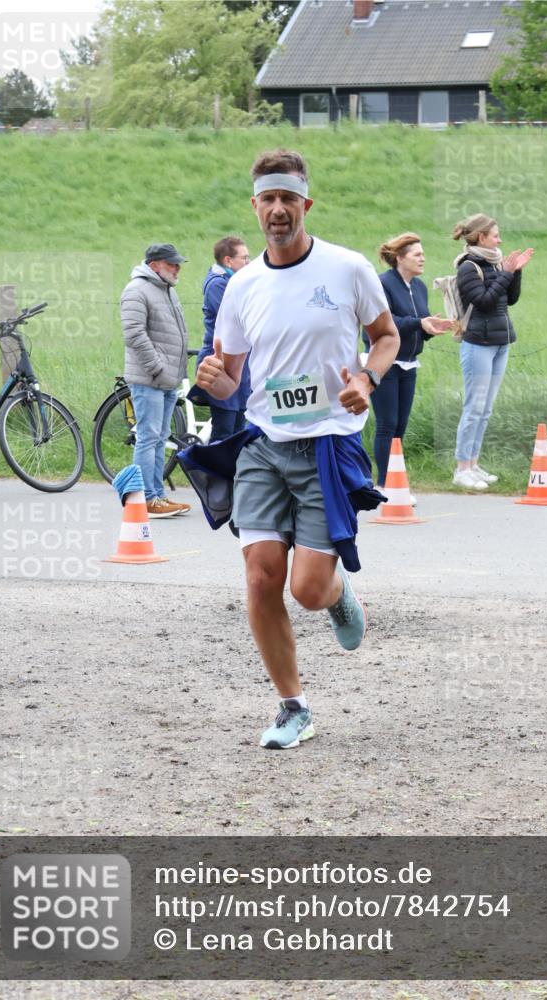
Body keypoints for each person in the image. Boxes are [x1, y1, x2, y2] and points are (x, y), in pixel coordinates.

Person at [196, 148, 399, 750]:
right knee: (261, 579)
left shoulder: (347, 268)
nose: (278, 209)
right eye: (268, 198)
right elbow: (233, 377)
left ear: (305, 204)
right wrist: (216, 382)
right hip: (264, 445)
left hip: (327, 447)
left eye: (289, 198)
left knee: (306, 591)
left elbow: (385, 336)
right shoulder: (242, 286)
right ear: (255, 207)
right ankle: (293, 706)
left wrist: (366, 378)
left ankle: (337, 594)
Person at [362, 232, 454, 493]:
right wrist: (418, 323)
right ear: (400, 258)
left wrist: (432, 327)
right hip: (383, 363)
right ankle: (382, 485)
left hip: (409, 363)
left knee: (400, 426)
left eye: (422, 253)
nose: (423, 258)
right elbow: (382, 323)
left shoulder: (420, 287)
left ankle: (395, 481)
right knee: (387, 424)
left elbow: (418, 324)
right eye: (417, 254)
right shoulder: (383, 284)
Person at [452, 215, 534, 490]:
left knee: (486, 409)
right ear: (480, 237)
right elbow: (484, 302)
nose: (499, 240)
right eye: (495, 235)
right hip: (478, 343)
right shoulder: (467, 267)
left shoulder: (496, 262)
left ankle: (474, 464)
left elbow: (510, 299)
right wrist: (507, 273)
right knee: (474, 407)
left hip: (501, 341)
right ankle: (461, 469)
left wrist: (516, 272)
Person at [120, 242, 191, 517]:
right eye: (172, 264)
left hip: (166, 379)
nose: (177, 269)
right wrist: (159, 368)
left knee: (160, 438)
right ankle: (146, 499)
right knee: (149, 438)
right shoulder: (137, 290)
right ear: (154, 265)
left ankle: (158, 496)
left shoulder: (166, 290)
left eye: (178, 264)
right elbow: (134, 334)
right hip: (150, 378)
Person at [188, 236, 252, 442]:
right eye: (244, 258)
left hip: (240, 363)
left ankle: (233, 474)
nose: (248, 263)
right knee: (224, 430)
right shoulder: (217, 285)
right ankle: (215, 474)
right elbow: (239, 318)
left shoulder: (235, 283)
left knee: (239, 429)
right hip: (220, 361)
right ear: (228, 261)